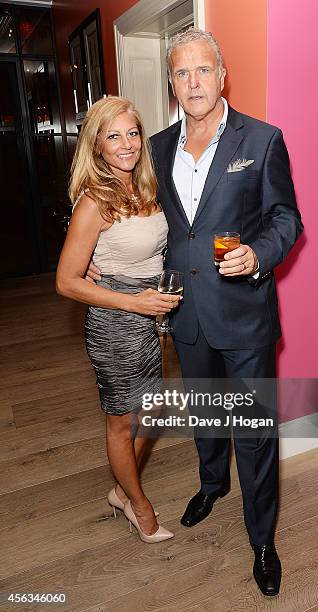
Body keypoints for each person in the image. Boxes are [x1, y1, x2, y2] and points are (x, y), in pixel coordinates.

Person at [88, 27, 303, 595]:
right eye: (181, 73)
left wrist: (260, 253)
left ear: (222, 74)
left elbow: (287, 220)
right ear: (171, 83)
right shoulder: (154, 147)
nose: (193, 83)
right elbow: (128, 211)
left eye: (203, 70)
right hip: (185, 314)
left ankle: (262, 539)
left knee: (253, 429)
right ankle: (212, 485)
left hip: (245, 313)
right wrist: (98, 263)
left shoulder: (263, 139)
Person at [56, 96, 181, 544]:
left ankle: (120, 489)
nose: (126, 144)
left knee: (152, 409)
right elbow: (66, 282)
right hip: (115, 320)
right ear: (98, 146)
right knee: (122, 421)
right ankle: (137, 505)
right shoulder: (95, 201)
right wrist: (132, 303)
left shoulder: (145, 187)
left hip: (149, 315)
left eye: (132, 133)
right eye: (113, 136)